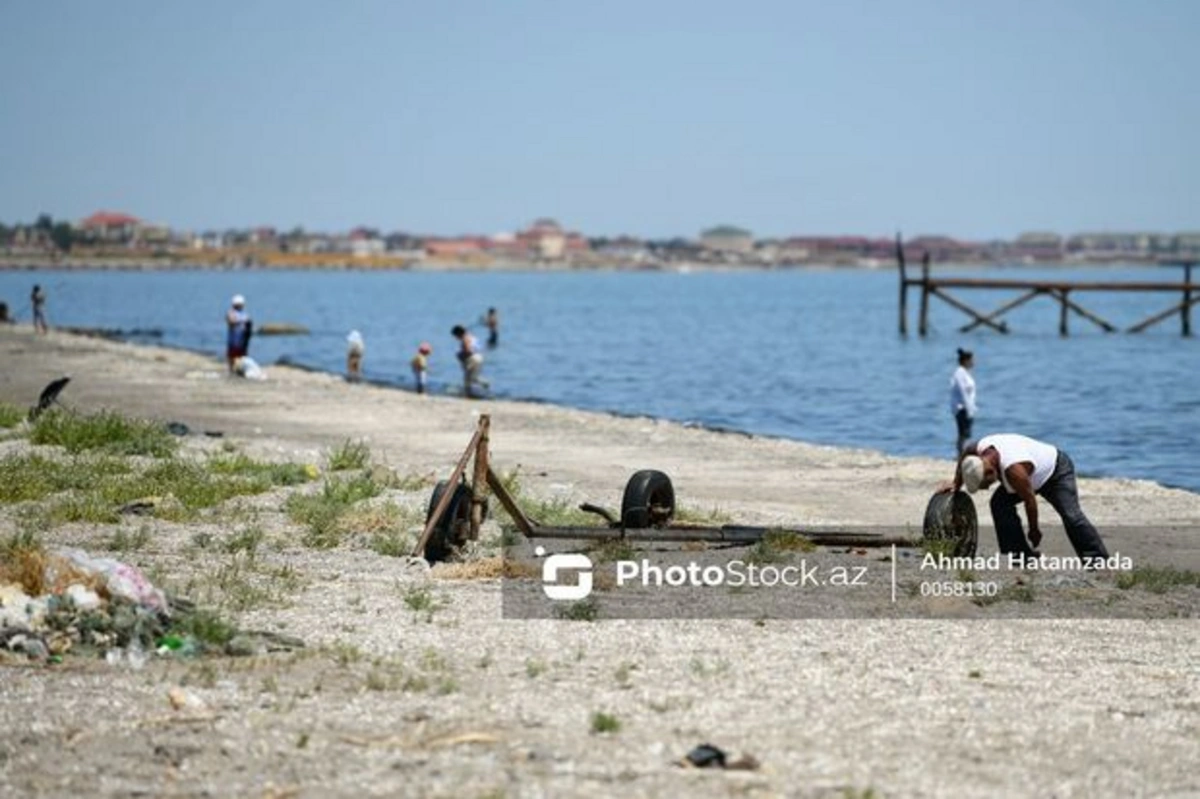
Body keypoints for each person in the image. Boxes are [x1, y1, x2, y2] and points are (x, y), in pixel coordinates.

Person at [948, 433, 1110, 560]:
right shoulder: (977, 450)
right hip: (1027, 477)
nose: (986, 488)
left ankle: (1098, 561)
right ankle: (1021, 555)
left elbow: (1029, 500)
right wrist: (956, 483)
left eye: (985, 484)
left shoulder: (1013, 470)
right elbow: (966, 454)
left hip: (1054, 473)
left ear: (991, 472)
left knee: (1071, 515)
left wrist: (1034, 530)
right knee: (999, 504)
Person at [949, 347, 977, 455]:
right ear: (966, 361)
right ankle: (960, 454)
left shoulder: (964, 373)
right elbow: (963, 392)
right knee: (963, 433)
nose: (973, 362)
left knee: (965, 433)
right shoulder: (960, 373)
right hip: (962, 408)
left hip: (966, 407)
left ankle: (961, 454)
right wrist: (969, 409)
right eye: (972, 360)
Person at [451, 324, 488, 398]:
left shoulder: (465, 339)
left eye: (455, 336)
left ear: (458, 334)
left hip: (472, 359)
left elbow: (468, 351)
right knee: (474, 377)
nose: (455, 338)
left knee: (467, 379)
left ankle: (468, 394)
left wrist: (460, 354)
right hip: (479, 357)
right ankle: (485, 384)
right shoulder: (471, 336)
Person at [225, 294, 252, 374]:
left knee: (242, 356)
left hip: (243, 340)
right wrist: (240, 322)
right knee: (232, 356)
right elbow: (230, 321)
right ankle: (232, 370)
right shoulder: (231, 312)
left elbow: (249, 324)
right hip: (234, 339)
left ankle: (240, 370)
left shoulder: (244, 314)